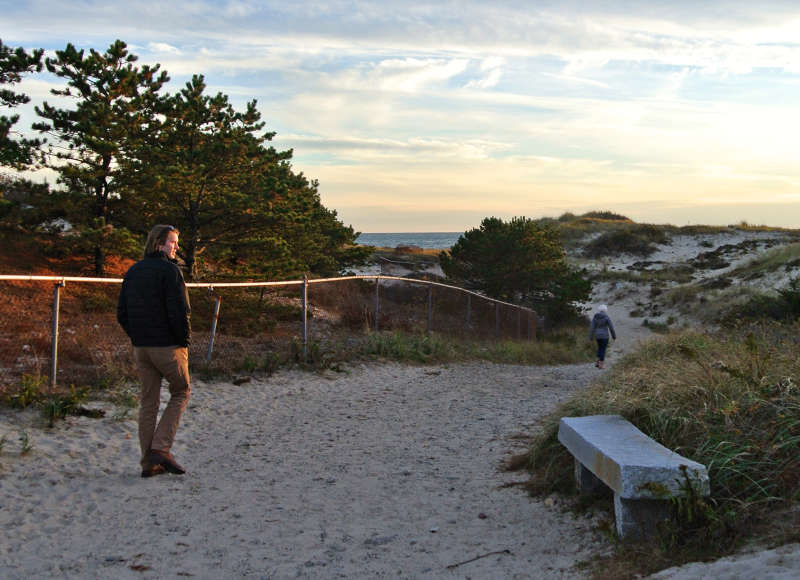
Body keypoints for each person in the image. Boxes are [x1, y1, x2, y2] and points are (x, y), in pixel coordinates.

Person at [117, 225, 191, 478]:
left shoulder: (133, 271)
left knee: (148, 403)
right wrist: (183, 340)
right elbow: (180, 311)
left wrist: (137, 335)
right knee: (181, 391)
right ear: (159, 244)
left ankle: (148, 463)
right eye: (173, 242)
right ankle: (160, 448)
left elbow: (122, 313)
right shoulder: (170, 272)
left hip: (141, 347)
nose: (176, 247)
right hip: (168, 347)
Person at [589, 304, 616, 369]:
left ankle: (597, 362)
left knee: (599, 347)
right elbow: (611, 327)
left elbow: (592, 327)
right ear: (605, 310)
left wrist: (590, 336)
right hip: (604, 336)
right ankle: (601, 365)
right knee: (603, 349)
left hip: (597, 336)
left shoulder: (595, 317)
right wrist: (614, 336)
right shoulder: (606, 317)